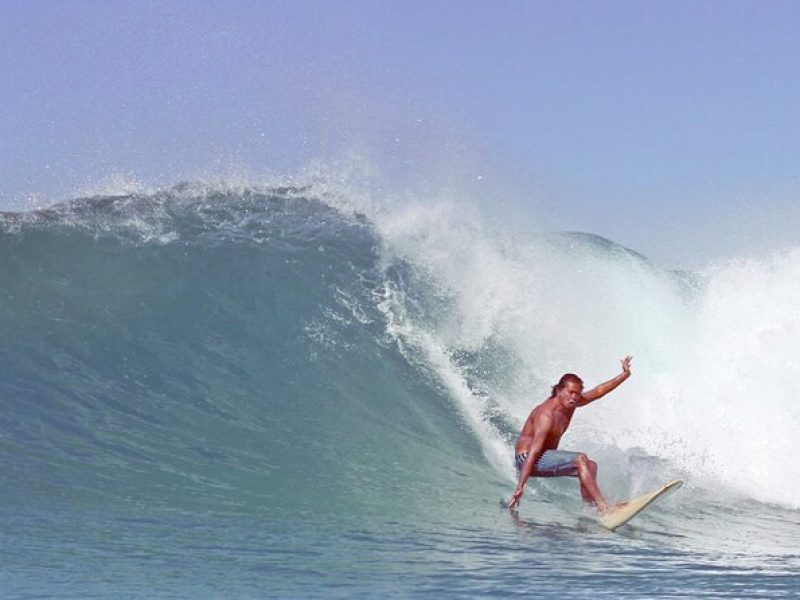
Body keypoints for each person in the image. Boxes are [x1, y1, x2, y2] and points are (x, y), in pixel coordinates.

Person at [507, 356, 633, 513]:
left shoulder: (571, 403)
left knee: (591, 466)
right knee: (581, 459)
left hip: (544, 456)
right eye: (571, 392)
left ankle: (591, 508)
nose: (574, 397)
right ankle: (603, 506)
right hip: (527, 459)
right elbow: (534, 450)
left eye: (577, 394)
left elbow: (599, 391)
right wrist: (521, 486)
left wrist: (624, 374)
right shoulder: (546, 415)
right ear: (559, 390)